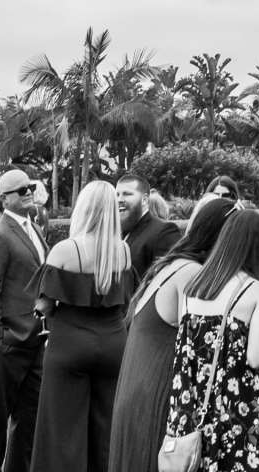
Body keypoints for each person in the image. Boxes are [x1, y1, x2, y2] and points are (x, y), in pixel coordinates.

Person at [110, 195, 234, 472]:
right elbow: (205, 346)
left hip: (138, 388)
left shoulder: (172, 264)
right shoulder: (192, 272)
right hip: (158, 391)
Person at [162, 209, 259, 472]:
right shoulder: (258, 290)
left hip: (189, 414)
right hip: (238, 410)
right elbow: (257, 357)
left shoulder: (193, 287)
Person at [36, 181, 136, 472]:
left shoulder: (65, 250)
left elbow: (43, 305)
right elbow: (126, 300)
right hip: (114, 343)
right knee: (106, 432)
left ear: (82, 208)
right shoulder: (124, 251)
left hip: (69, 343)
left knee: (61, 433)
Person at [0, 168, 52, 472]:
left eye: (30, 187)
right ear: (4, 198)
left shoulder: (33, 228)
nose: (28, 193)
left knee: (29, 424)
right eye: (20, 190)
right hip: (10, 342)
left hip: (36, 340)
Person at [119, 174, 183, 282]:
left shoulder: (164, 232)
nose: (119, 199)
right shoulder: (118, 232)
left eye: (127, 194)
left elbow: (167, 280)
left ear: (144, 200)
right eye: (117, 194)